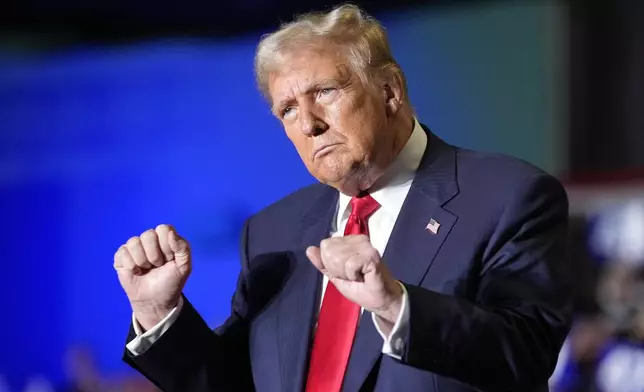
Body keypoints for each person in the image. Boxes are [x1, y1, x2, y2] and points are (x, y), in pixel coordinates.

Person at [114, 4, 572, 392]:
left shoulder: (507, 196)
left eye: (324, 93)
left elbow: (527, 354)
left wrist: (397, 307)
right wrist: (158, 312)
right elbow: (235, 382)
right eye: (287, 110)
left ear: (390, 91)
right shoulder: (272, 232)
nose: (308, 123)